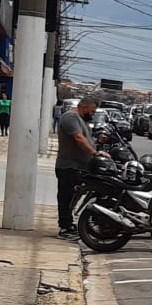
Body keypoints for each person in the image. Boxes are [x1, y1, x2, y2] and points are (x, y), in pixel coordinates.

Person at [55, 96, 99, 239]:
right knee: (66, 197)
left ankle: (69, 224)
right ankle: (65, 227)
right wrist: (94, 153)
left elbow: (86, 138)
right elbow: (79, 138)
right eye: (92, 112)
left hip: (78, 166)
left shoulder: (81, 120)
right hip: (69, 166)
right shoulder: (70, 117)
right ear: (84, 107)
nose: (92, 115)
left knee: (73, 197)